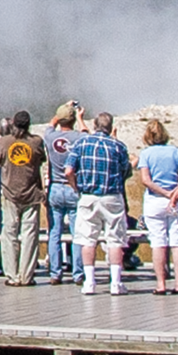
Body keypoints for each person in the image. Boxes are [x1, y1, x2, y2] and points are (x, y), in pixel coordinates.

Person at [59, 111, 130, 298]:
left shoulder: (82, 143)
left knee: (87, 239)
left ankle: (89, 281)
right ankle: (116, 282)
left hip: (88, 195)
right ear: (111, 127)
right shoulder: (118, 146)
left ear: (95, 125)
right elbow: (126, 171)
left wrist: (76, 187)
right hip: (112, 195)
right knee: (115, 239)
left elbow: (68, 171)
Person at [132, 119, 178, 294]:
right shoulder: (177, 152)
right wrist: (175, 194)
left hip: (155, 200)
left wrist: (164, 193)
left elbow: (146, 180)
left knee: (158, 242)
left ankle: (161, 284)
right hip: (177, 198)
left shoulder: (146, 154)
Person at [0, 116, 46, 287]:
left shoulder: (4, 142)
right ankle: (26, 275)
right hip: (31, 191)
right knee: (30, 235)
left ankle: (12, 275)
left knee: (10, 233)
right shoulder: (36, 142)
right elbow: (41, 161)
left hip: (10, 192)